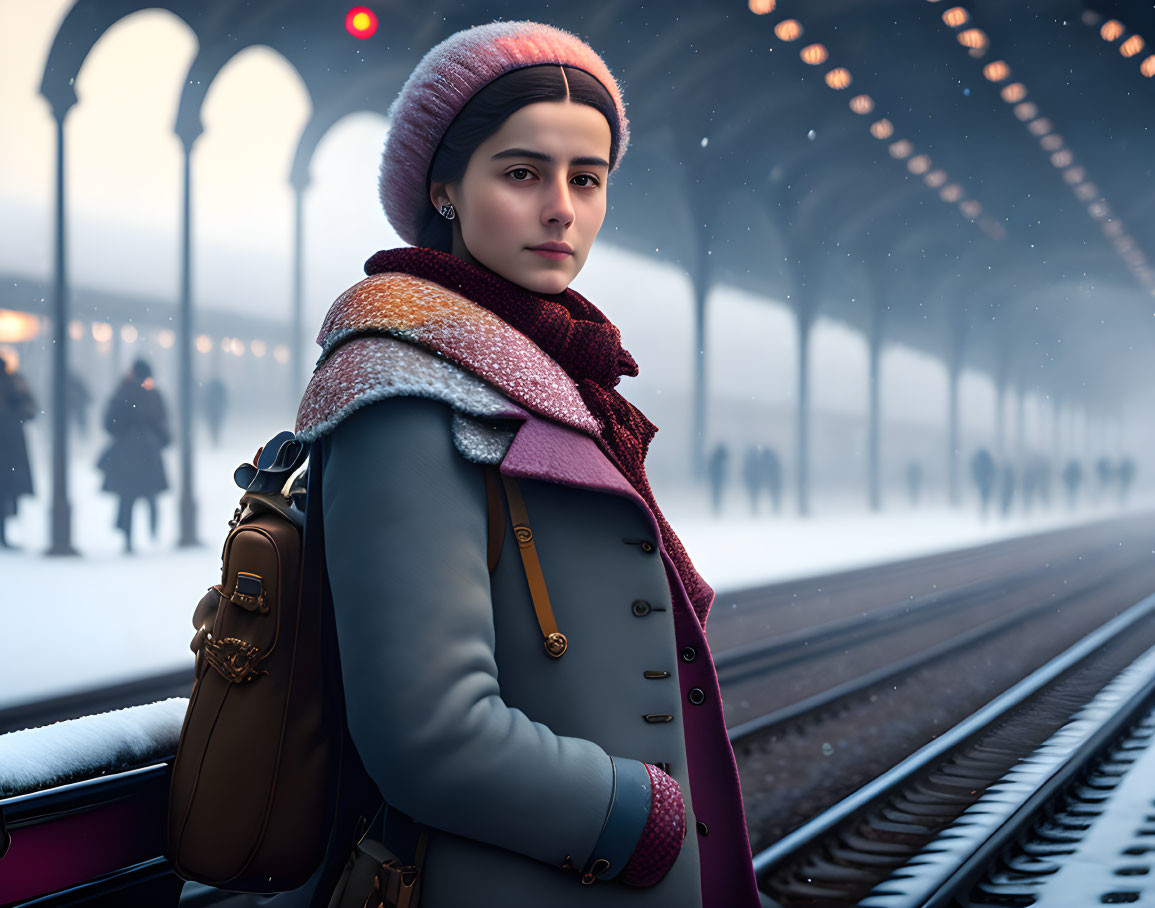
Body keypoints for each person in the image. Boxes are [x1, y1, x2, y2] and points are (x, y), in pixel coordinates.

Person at [290, 20, 761, 907]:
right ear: (445, 192)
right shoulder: (403, 389)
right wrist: (643, 818)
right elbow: (428, 735)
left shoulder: (558, 378)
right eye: (521, 173)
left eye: (587, 180)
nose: (561, 208)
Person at [97, 358, 170, 553]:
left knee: (127, 498)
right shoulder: (152, 395)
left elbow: (109, 424)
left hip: (127, 454)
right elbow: (163, 423)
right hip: (148, 452)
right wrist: (158, 437)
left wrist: (126, 431)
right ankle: (152, 535)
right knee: (150, 495)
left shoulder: (123, 392)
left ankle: (128, 539)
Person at [0, 353, 36, 549]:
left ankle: (3, 534)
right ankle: (3, 534)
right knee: (7, 491)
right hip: (11, 445)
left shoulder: (15, 384)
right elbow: (30, 411)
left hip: (9, 445)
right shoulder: (15, 383)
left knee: (5, 490)